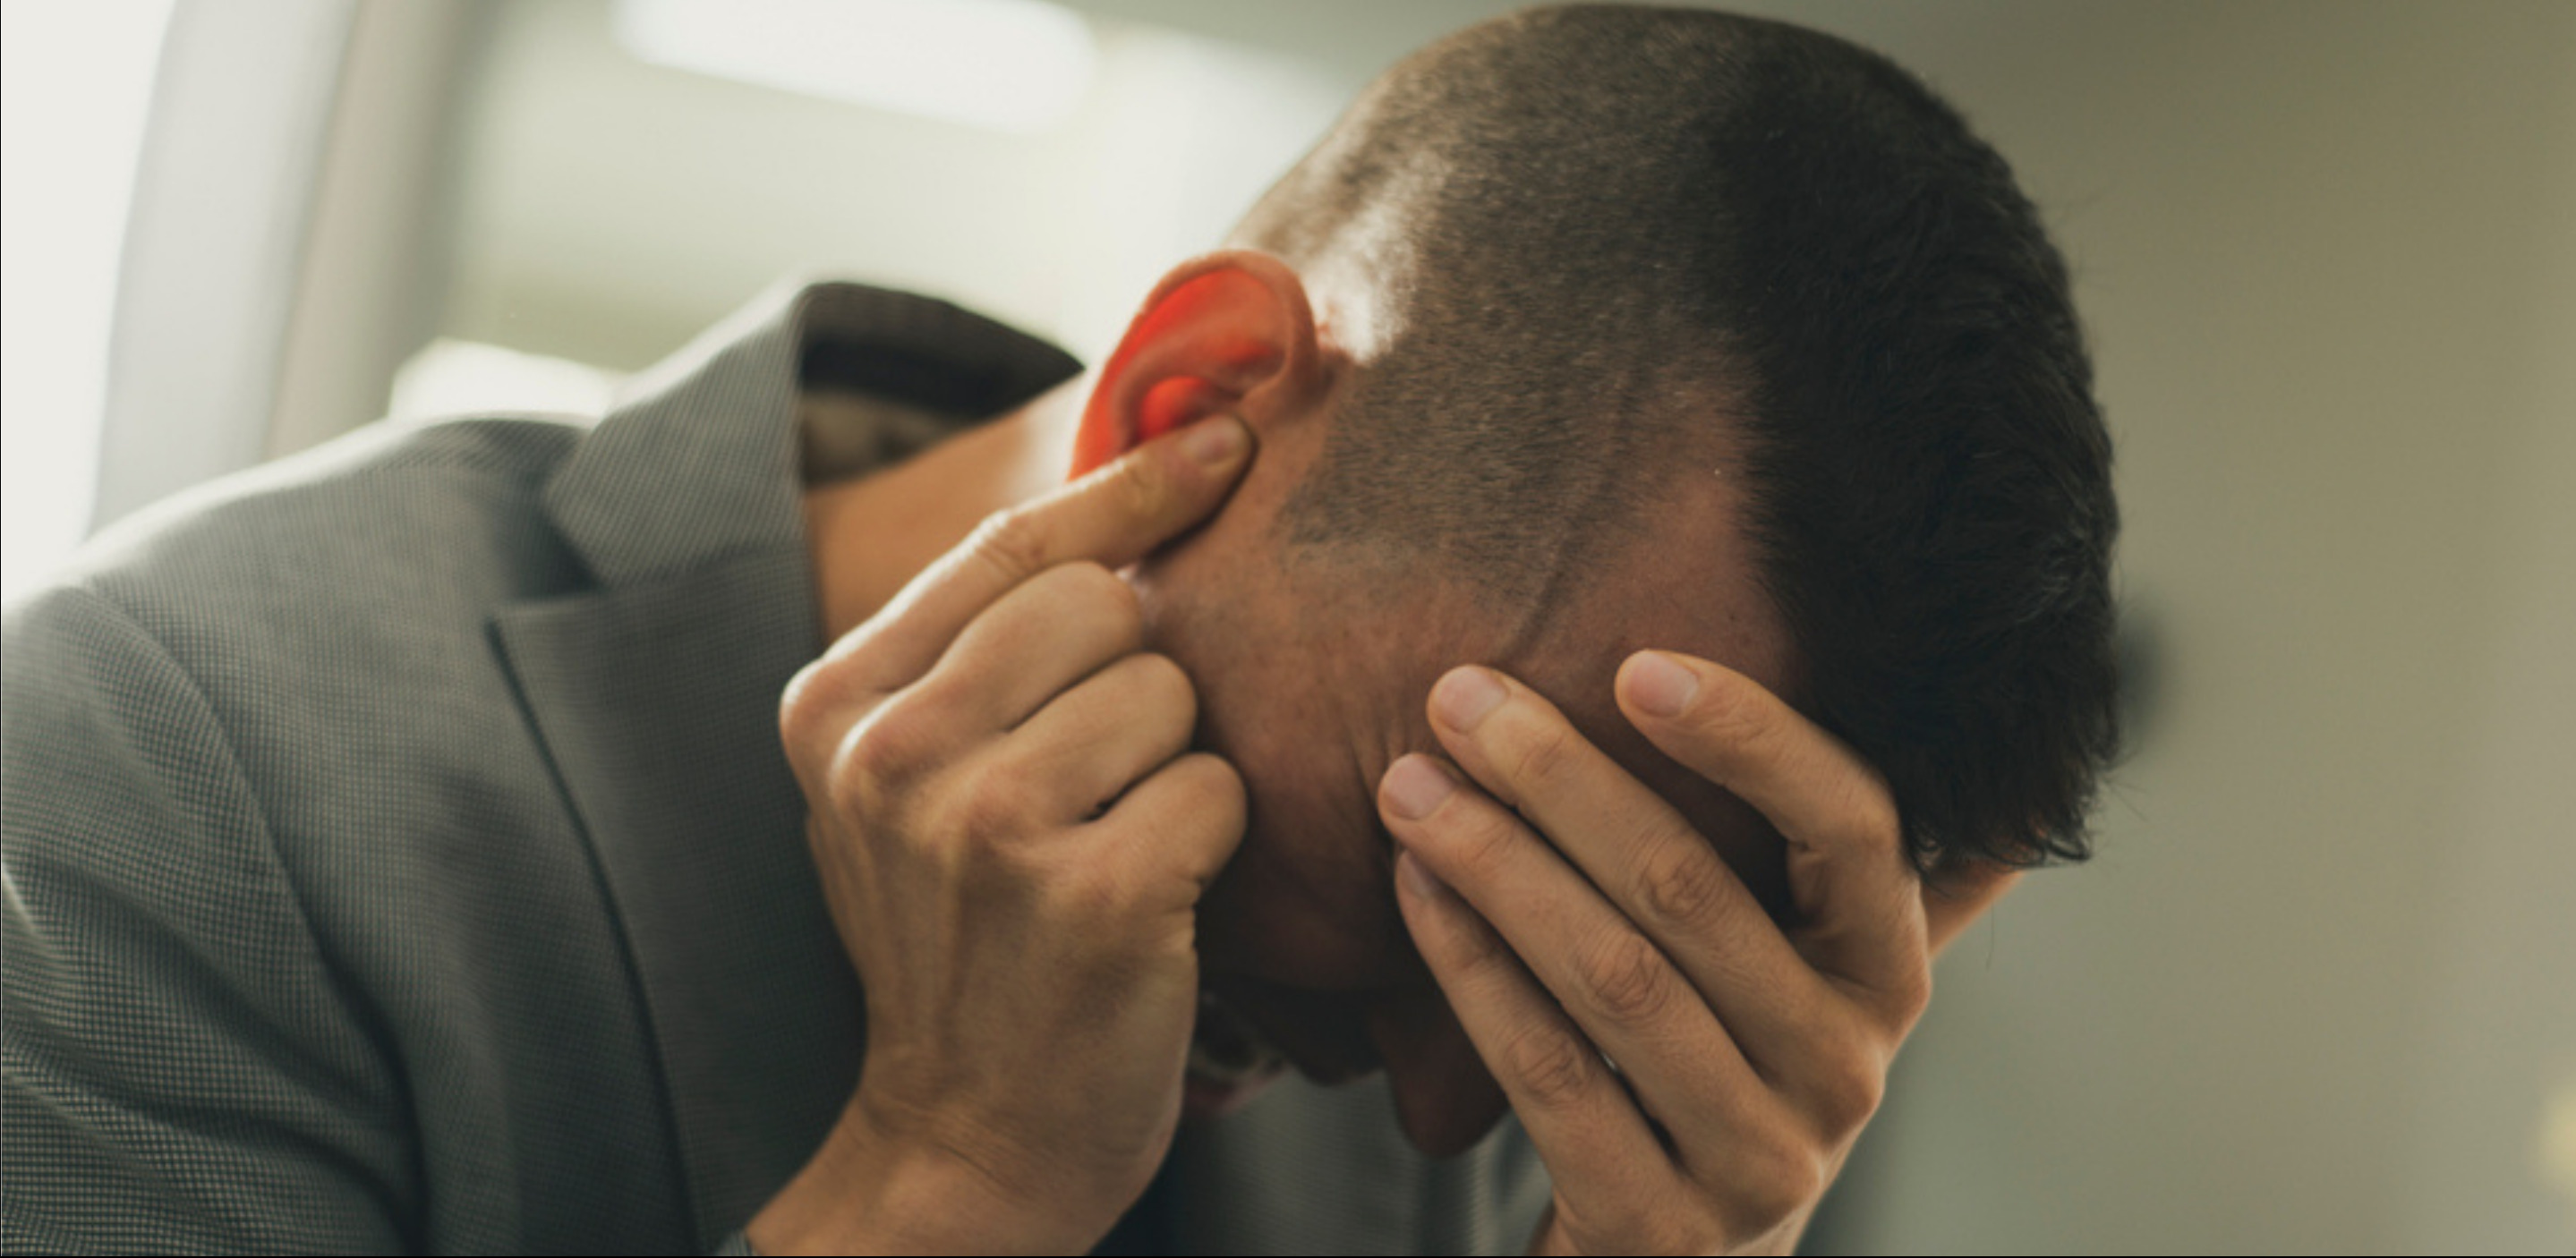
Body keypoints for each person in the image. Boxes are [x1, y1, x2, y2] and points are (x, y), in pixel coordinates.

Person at [1, 5, 2119, 1254]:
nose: (1453, 1120)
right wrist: (948, 1176)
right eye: (1436, 874)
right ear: (1185, 405)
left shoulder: (1555, 1096)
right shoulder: (164, 788)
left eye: (1575, 950)